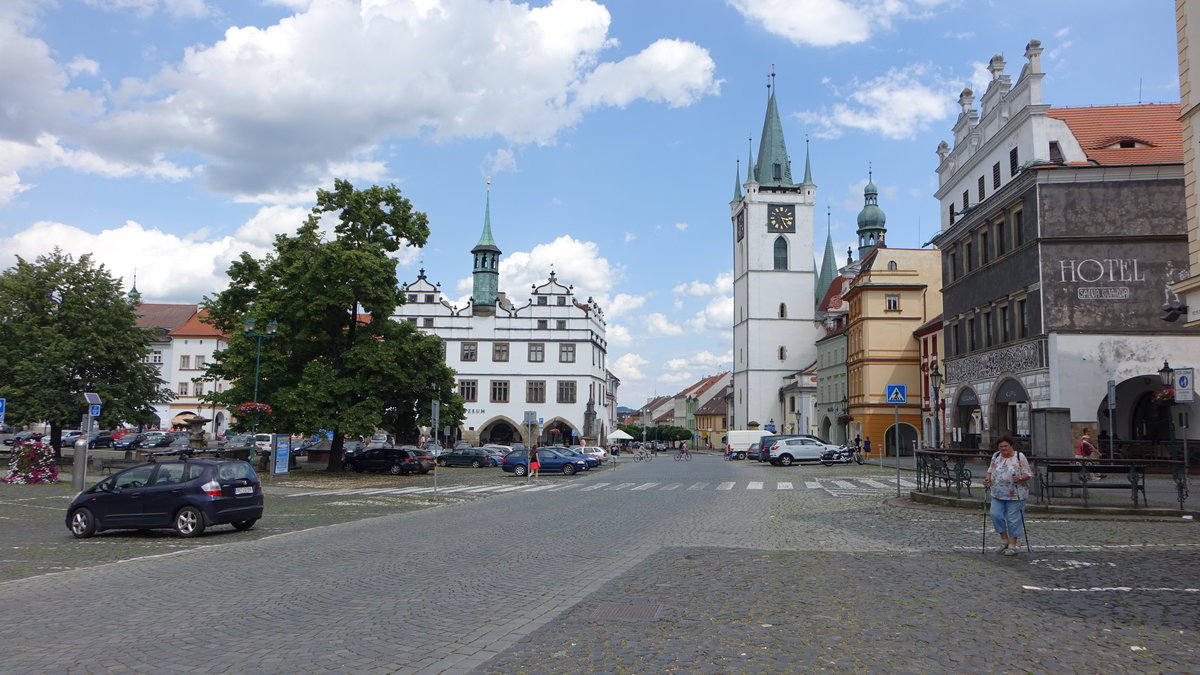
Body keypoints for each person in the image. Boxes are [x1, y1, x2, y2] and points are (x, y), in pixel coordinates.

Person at [983, 436, 1033, 556]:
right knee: (996, 514)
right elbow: (990, 470)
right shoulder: (996, 456)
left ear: (1011, 446)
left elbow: (1029, 473)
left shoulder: (1019, 457)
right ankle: (1004, 540)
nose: (1003, 449)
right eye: (1001, 446)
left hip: (1016, 494)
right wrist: (987, 479)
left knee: (1013, 519)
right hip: (997, 493)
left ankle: (1012, 545)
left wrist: (1020, 478)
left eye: (1006, 446)